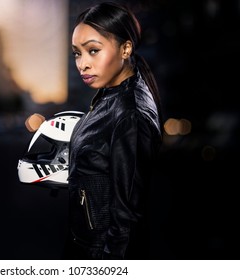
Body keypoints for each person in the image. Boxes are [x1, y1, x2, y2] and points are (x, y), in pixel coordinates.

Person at [64, 1, 163, 260]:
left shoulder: (130, 114)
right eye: (77, 53)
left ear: (125, 48)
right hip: (83, 247)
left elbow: (126, 223)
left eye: (93, 51)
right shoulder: (109, 95)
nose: (82, 64)